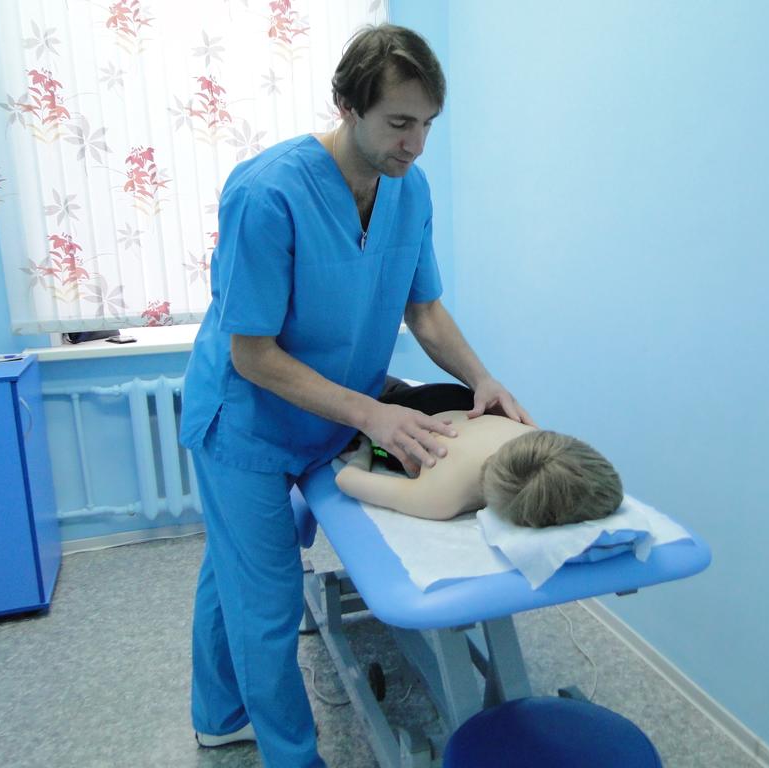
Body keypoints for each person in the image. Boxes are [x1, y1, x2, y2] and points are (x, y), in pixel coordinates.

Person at [178, 25, 532, 768]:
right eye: (399, 123)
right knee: (267, 599)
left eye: (427, 124)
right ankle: (290, 755)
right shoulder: (267, 193)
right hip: (245, 421)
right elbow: (252, 354)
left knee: (234, 568)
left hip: (326, 414)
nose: (416, 145)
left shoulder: (409, 190)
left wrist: (482, 378)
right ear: (347, 106)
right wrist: (373, 413)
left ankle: (216, 714)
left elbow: (423, 310)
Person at [337, 382, 623, 526]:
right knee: (356, 400)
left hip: (454, 397)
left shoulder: (534, 436)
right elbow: (347, 479)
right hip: (405, 422)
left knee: (379, 387)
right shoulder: (441, 497)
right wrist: (364, 446)